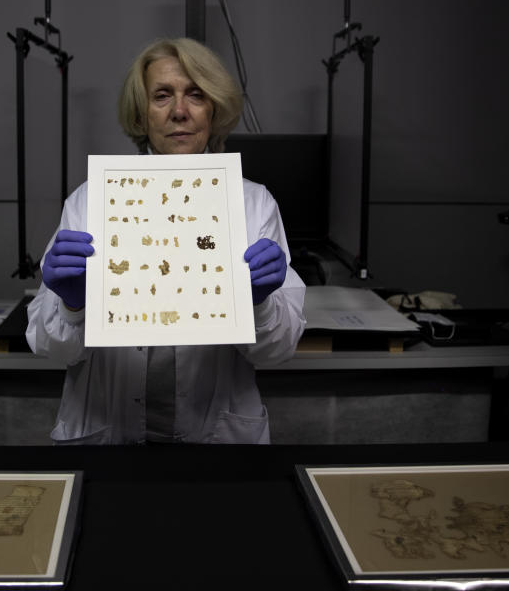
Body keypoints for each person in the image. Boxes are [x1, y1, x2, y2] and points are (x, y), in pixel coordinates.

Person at [25, 38, 305, 444]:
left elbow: (278, 351)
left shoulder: (253, 204)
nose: (179, 111)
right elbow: (49, 348)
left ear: (215, 108)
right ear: (142, 114)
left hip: (217, 438)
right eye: (162, 96)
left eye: (196, 94)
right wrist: (71, 305)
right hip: (108, 432)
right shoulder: (91, 201)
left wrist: (261, 304)